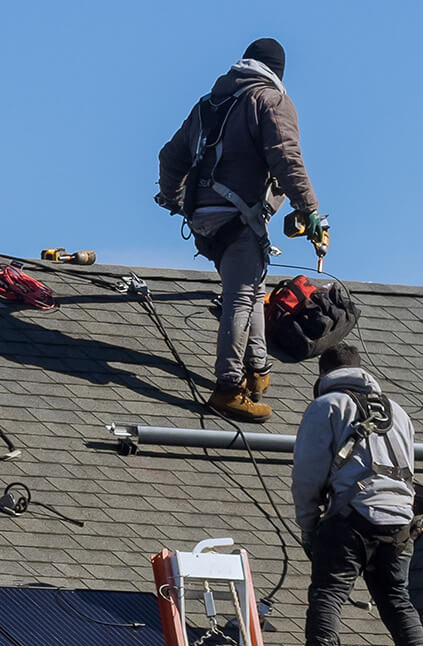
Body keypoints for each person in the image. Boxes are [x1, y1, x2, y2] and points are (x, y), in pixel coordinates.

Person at [156, 37, 325, 424]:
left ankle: (258, 369)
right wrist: (309, 209)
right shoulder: (269, 100)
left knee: (253, 289)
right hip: (239, 215)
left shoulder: (210, 103)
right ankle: (229, 387)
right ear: (277, 72)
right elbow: (285, 156)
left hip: (203, 219)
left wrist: (171, 196)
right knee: (240, 297)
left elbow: (171, 155)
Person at [292, 344, 423, 646]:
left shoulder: (327, 406)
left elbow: (307, 473)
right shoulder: (398, 412)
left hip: (353, 516)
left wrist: (309, 525)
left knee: (328, 592)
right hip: (401, 522)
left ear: (322, 376)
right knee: (396, 599)